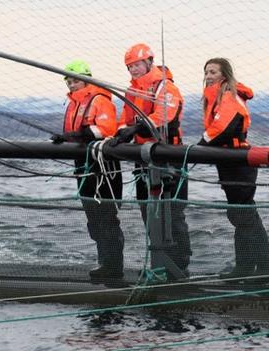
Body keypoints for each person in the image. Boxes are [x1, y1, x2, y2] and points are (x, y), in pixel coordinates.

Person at [111, 43, 191, 278]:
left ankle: (179, 266)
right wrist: (119, 134)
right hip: (143, 159)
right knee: (148, 210)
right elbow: (125, 120)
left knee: (173, 213)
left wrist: (134, 128)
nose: (133, 70)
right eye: (129, 66)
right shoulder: (131, 91)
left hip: (169, 157)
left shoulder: (166, 88)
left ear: (149, 61)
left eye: (136, 65)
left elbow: (163, 116)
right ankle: (159, 262)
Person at [51, 59, 125, 284]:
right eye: (69, 81)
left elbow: (105, 129)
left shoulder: (99, 99)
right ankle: (105, 261)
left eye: (75, 81)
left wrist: (74, 136)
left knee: (106, 215)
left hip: (103, 165)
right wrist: (70, 137)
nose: (72, 85)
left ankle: (113, 265)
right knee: (93, 216)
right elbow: (78, 131)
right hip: (82, 164)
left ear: (86, 79)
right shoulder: (74, 103)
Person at [198, 57, 269, 278]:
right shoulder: (217, 97)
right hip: (229, 162)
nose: (208, 76)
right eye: (206, 72)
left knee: (244, 214)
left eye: (213, 72)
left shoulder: (229, 95)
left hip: (238, 163)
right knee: (241, 214)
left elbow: (224, 127)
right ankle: (247, 267)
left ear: (224, 75)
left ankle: (260, 266)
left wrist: (200, 146)